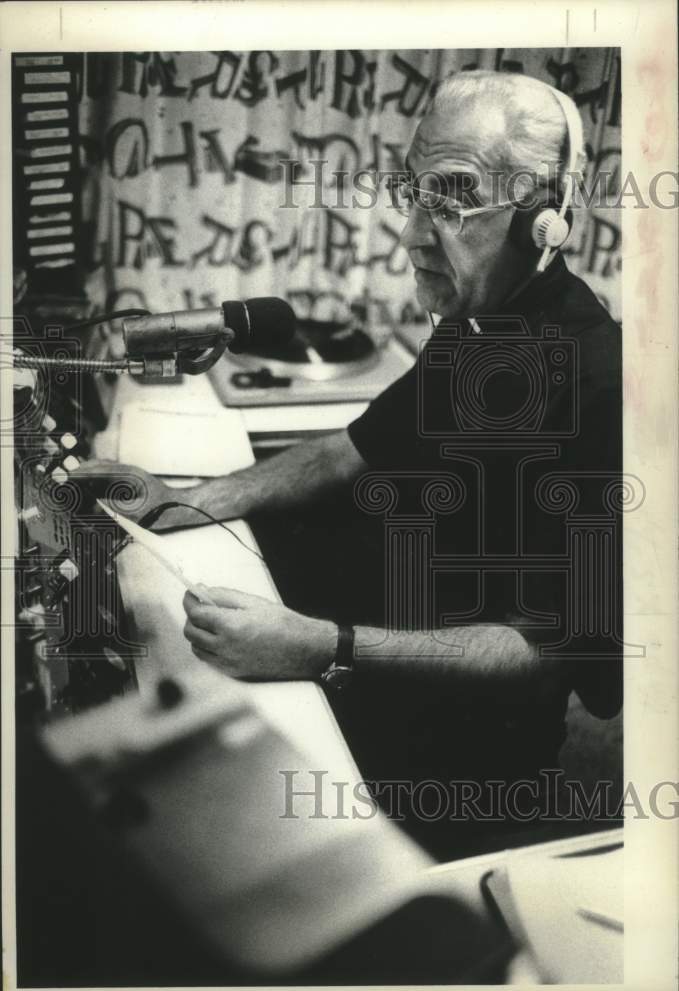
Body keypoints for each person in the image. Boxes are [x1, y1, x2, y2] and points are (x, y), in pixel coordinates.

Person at [76, 71, 622, 859]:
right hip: (374, 669)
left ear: (544, 222)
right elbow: (356, 447)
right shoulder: (478, 329)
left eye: (452, 200)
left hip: (462, 766)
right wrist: (185, 501)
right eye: (413, 195)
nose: (409, 235)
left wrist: (322, 645)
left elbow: (546, 651)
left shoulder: (598, 384)